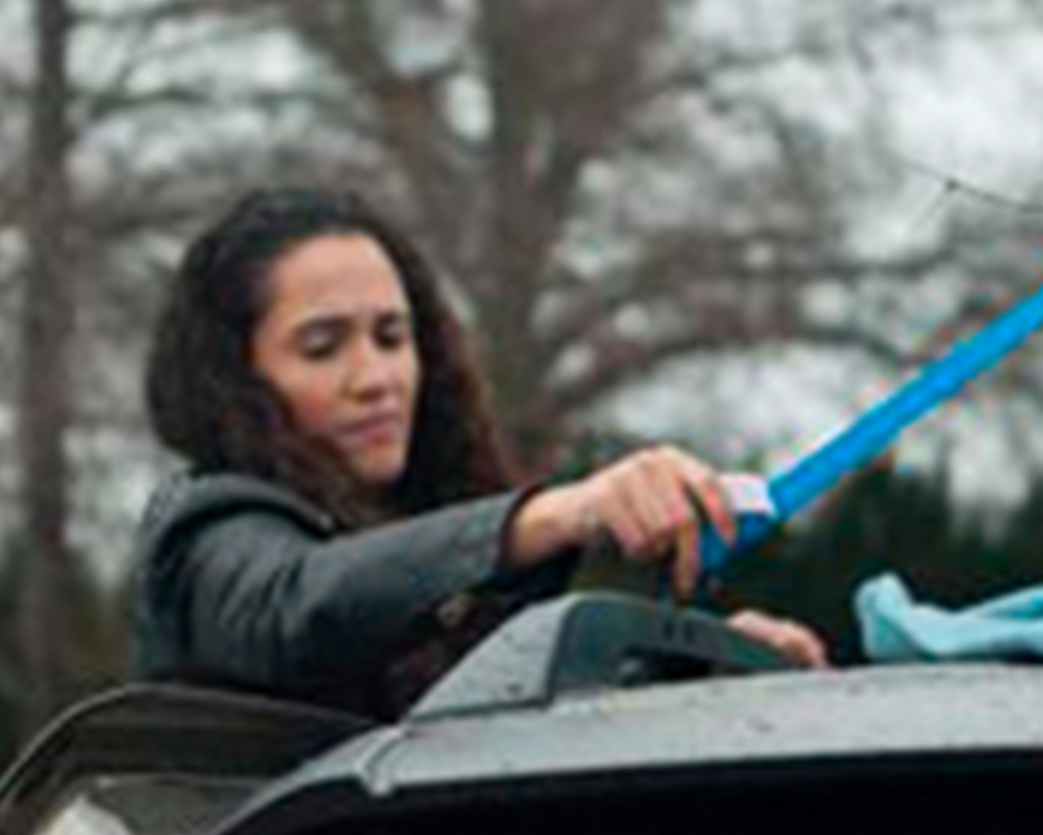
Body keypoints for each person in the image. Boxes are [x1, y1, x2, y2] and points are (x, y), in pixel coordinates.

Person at [133, 185, 828, 718]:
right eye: (323, 346)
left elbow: (495, 733)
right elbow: (303, 609)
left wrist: (698, 669)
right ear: (235, 377)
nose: (375, 378)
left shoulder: (420, 543)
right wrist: (561, 514)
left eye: (392, 337)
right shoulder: (207, 535)